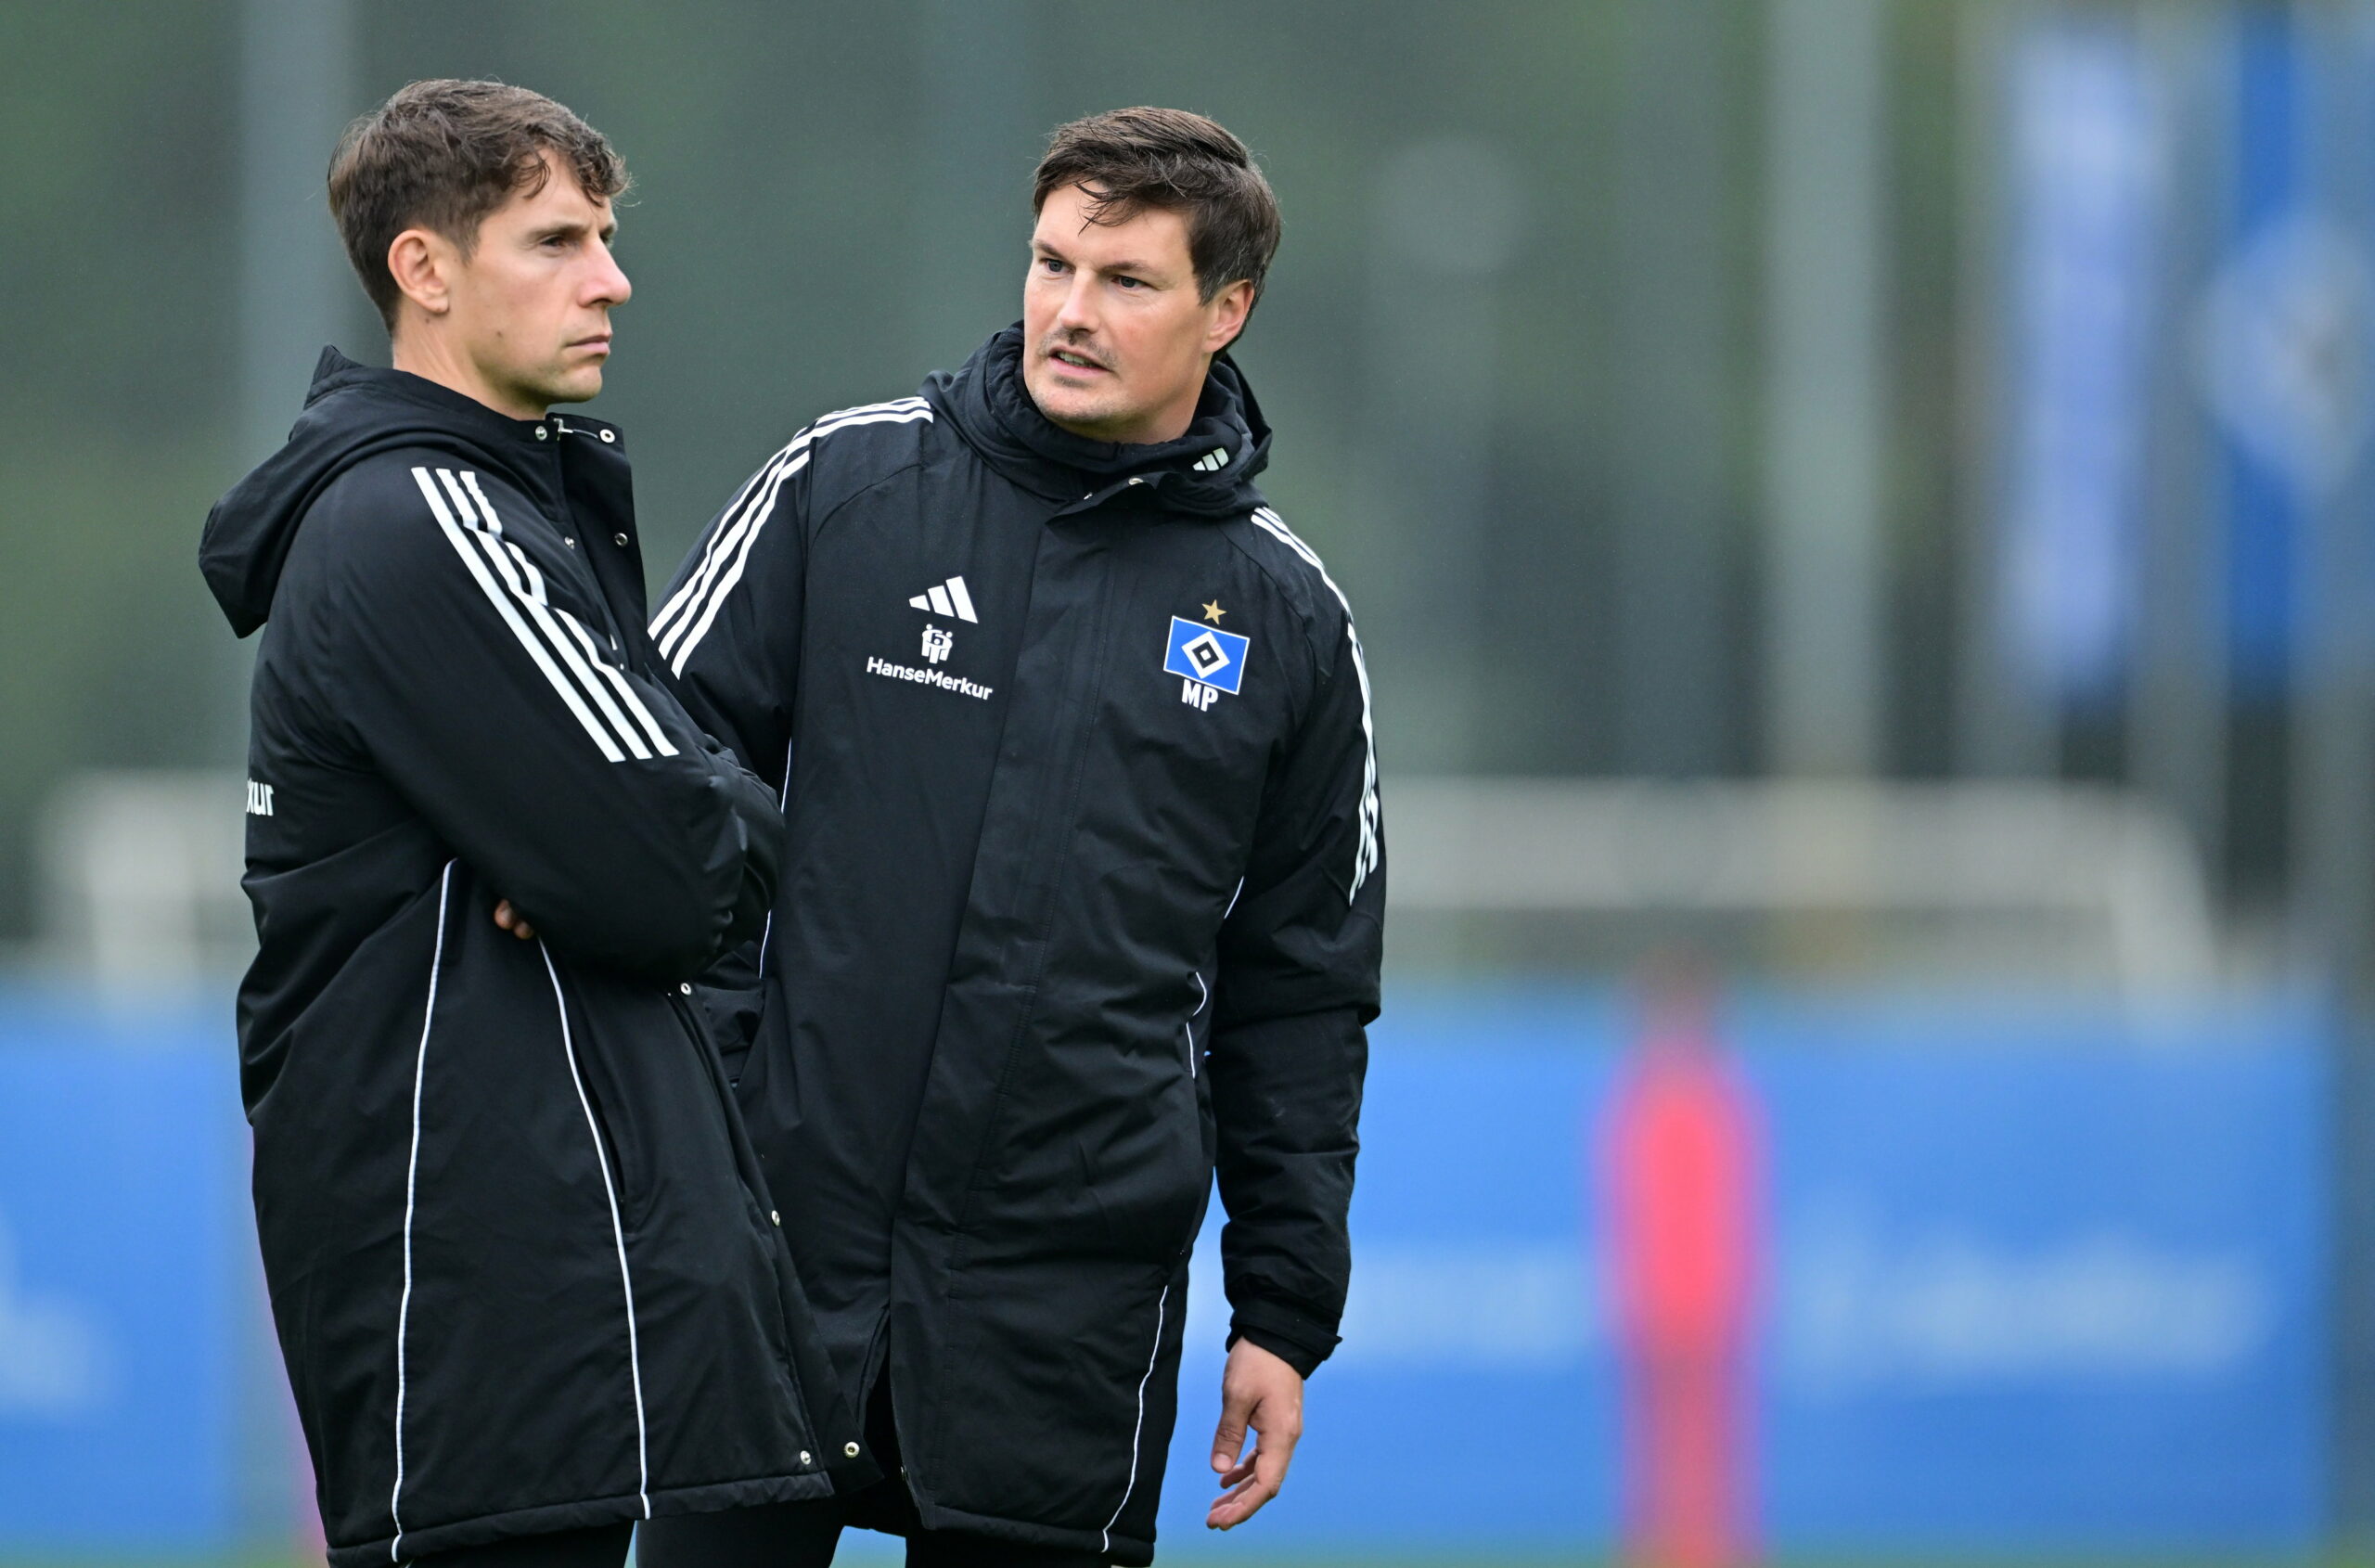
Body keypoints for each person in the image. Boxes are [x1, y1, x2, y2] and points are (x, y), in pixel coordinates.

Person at [637, 107, 1382, 1568]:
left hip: (1064, 1324)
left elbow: (1303, 990)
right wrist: (714, 1118)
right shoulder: (846, 487)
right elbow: (657, 795)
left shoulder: (1287, 619)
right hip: (764, 1263)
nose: (1072, 310)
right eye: (1053, 264)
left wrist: (1283, 1312)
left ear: (1227, 309)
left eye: (1128, 280)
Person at [199, 79, 849, 1568]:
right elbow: (674, 868)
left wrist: (654, 832)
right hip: (482, 1276)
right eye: (556, 241)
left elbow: (676, 824)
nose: (610, 280)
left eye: (606, 240)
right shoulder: (428, 517)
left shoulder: (508, 506)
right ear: (423, 270)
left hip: (517, 1287)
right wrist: (670, 837)